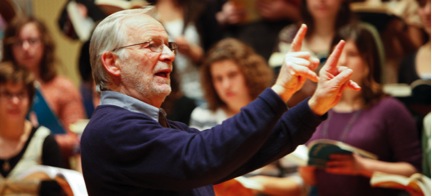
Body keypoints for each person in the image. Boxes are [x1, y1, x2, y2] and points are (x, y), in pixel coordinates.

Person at [80, 7, 360, 195]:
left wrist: (315, 105)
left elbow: (242, 151)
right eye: (150, 45)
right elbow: (203, 155)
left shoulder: (158, 125)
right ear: (112, 63)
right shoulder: (112, 129)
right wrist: (279, 90)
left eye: (168, 45)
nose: (168, 54)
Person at [299, 23, 422, 196]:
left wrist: (363, 167)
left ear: (369, 62)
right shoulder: (318, 106)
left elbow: (413, 172)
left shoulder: (390, 109)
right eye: (337, 54)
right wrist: (306, 172)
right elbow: (311, 181)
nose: (341, 61)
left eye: (352, 54)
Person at [190, 37, 307, 195]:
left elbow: (299, 184)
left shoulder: (273, 113)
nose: (226, 85)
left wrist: (257, 185)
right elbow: (193, 173)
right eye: (218, 79)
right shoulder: (202, 115)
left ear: (249, 73)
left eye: (232, 75)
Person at [2, 16, 86, 168]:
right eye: (19, 43)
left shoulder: (62, 87)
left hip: (54, 171)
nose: (26, 48)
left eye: (32, 41)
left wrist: (37, 138)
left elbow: (78, 140)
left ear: (44, 43)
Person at [268, 0, 359, 107]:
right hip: (294, 113)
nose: (322, 1)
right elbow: (273, 85)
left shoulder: (356, 36)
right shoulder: (289, 36)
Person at [0, 61, 65, 195]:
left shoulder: (45, 142)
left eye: (21, 94)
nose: (15, 101)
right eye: (7, 94)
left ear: (30, 100)